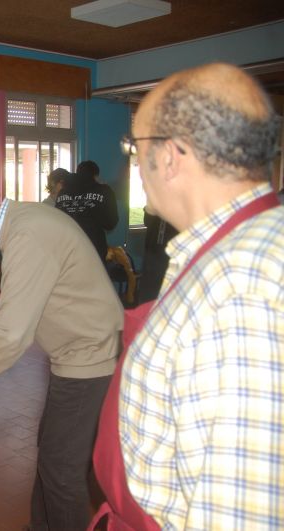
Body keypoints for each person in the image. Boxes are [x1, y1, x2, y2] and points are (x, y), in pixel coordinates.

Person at [91, 63, 283, 530]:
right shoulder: (227, 249)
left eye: (134, 147)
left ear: (171, 154)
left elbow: (239, 514)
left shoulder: (238, 287)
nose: (134, 164)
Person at [0, 191, 123, 531]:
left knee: (62, 470)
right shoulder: (24, 224)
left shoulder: (27, 233)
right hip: (76, 354)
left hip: (90, 357)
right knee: (51, 458)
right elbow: (47, 289)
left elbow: (12, 336)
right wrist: (10, 302)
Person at [55, 160, 118, 263]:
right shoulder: (103, 191)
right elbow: (110, 223)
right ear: (95, 176)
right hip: (93, 248)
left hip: (67, 248)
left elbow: (57, 220)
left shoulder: (62, 192)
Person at [135, 208, 177, 304]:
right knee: (148, 295)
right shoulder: (155, 208)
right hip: (152, 254)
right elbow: (146, 221)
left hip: (170, 256)